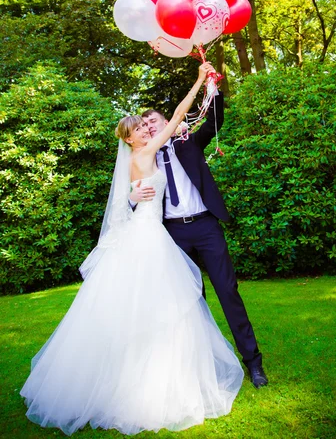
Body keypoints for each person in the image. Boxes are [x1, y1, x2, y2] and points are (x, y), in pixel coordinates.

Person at [20, 63, 244, 436]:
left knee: (159, 306)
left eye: (145, 125)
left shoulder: (143, 157)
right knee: (167, 306)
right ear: (131, 139)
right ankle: (150, 381)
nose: (146, 128)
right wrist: (199, 81)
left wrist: (131, 193)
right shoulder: (146, 151)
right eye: (139, 128)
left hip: (152, 234)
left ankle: (161, 372)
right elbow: (174, 117)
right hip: (151, 238)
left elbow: (127, 195)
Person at [130, 72, 268, 389]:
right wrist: (132, 196)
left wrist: (212, 89)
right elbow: (134, 195)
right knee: (190, 302)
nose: (151, 127)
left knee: (228, 292)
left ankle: (253, 363)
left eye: (155, 121)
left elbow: (215, 120)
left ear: (168, 121)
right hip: (173, 235)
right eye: (146, 125)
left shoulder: (189, 142)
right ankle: (203, 366)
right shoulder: (144, 158)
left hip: (205, 226)